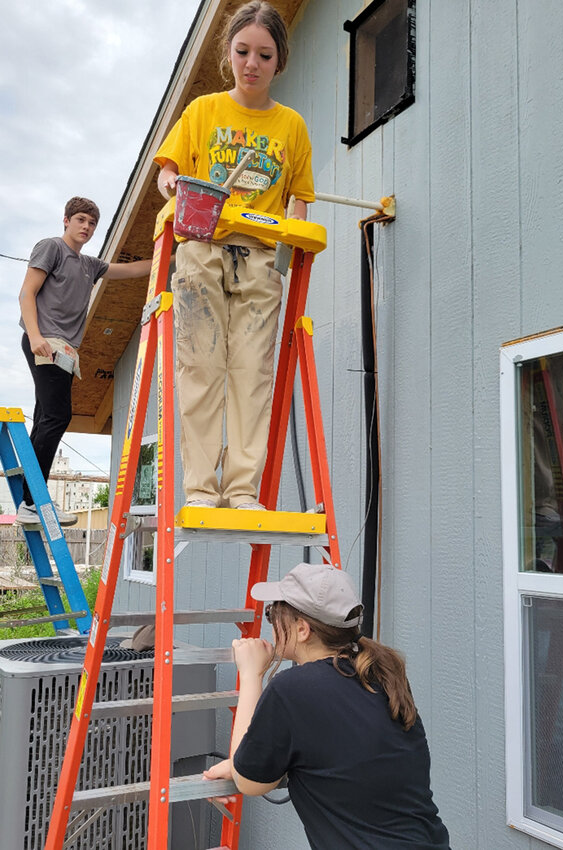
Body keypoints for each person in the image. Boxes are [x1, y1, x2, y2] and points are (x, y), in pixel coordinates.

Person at [154, 0, 314, 511]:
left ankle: (241, 489)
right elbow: (167, 173)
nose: (252, 63)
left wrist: (297, 234)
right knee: (200, 367)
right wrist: (173, 184)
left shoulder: (292, 126)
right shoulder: (203, 110)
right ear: (228, 53)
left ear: (279, 62)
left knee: (251, 375)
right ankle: (201, 489)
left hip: (261, 257)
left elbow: (300, 197)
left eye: (264, 55)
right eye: (243, 50)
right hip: (202, 248)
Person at [204, 563, 452, 850]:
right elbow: (343, 759)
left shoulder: (292, 689)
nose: (269, 622)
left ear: (302, 629)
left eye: (273, 614)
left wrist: (250, 675)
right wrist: (243, 762)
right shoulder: (381, 674)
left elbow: (250, 782)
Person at [16, 196, 152, 526]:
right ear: (66, 220)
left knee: (46, 417)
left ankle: (29, 499)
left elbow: (132, 269)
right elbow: (26, 293)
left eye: (91, 224)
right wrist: (36, 338)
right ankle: (33, 503)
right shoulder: (51, 248)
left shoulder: (90, 265)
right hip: (45, 342)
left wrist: (175, 254)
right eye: (80, 220)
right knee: (58, 416)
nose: (86, 228)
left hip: (63, 350)